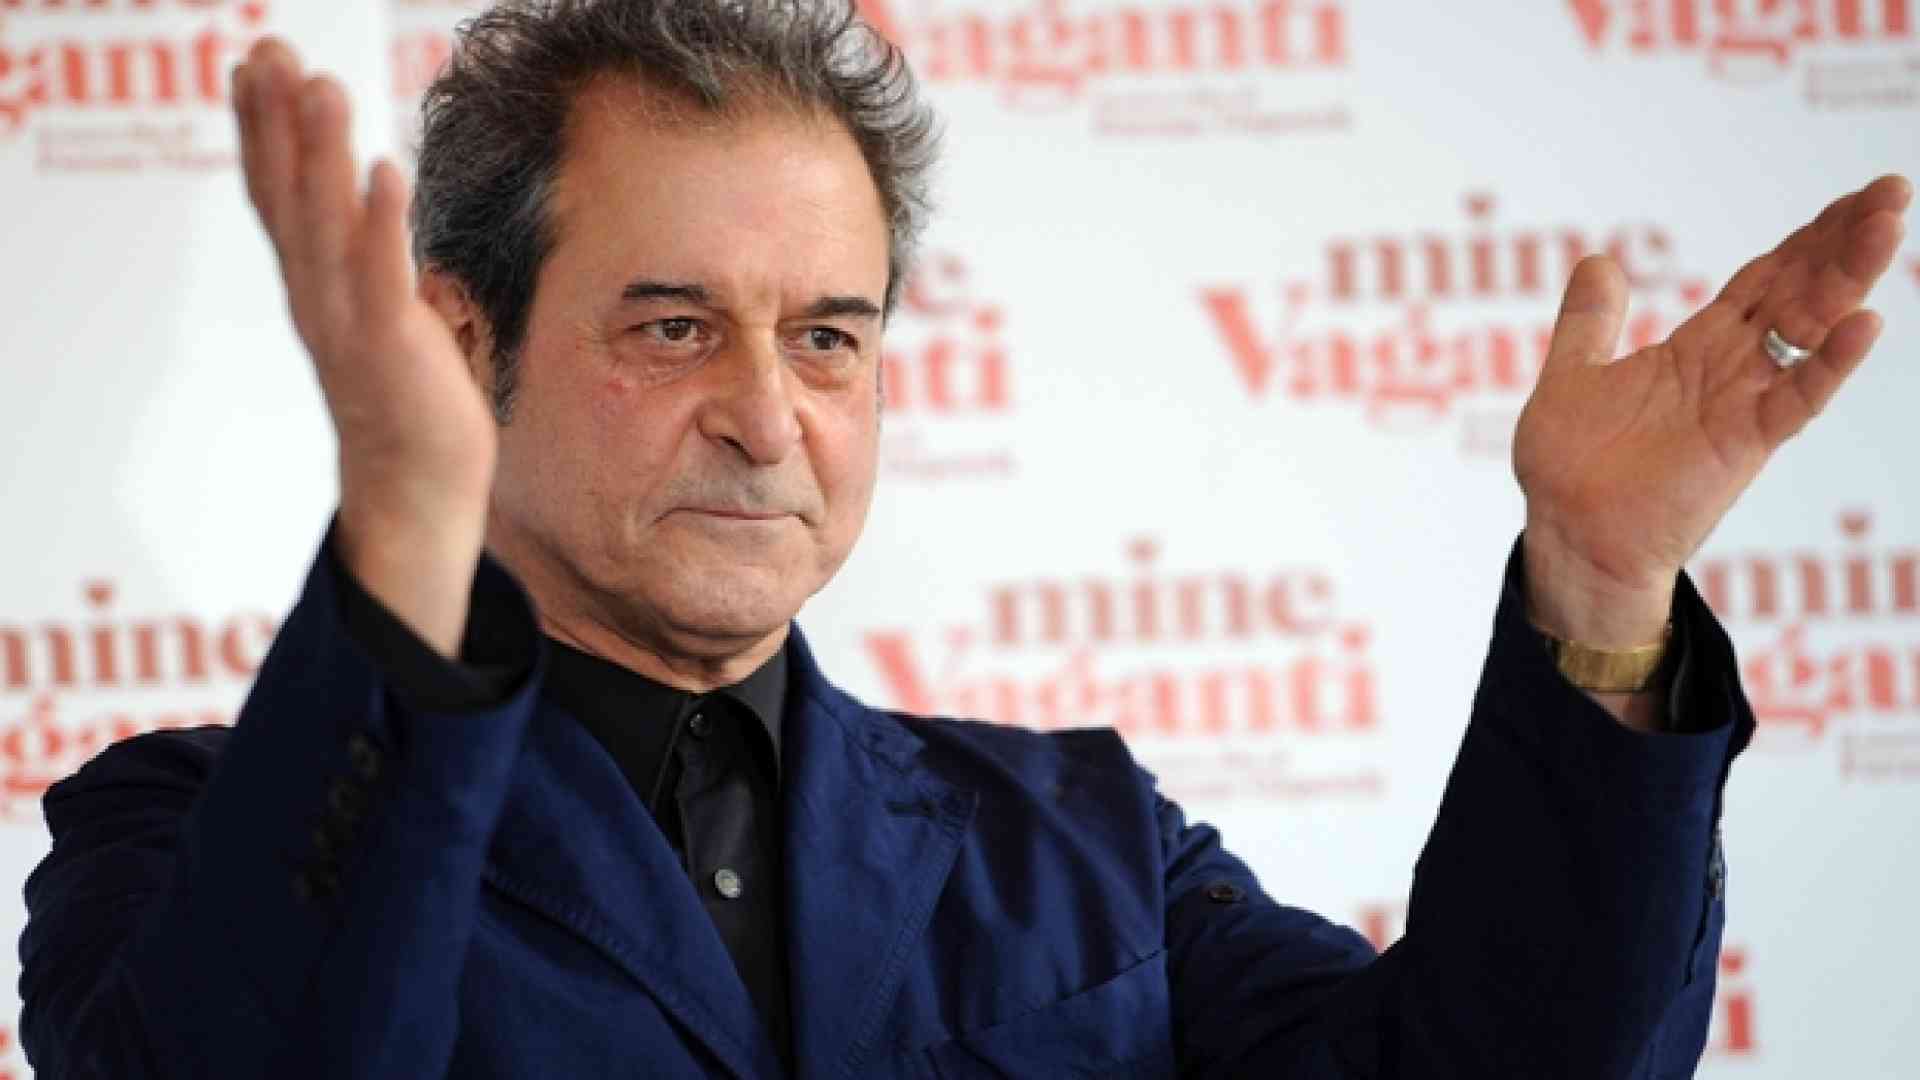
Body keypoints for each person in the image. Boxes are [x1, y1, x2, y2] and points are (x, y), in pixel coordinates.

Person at [16, 0, 1909, 1076]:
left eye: (828, 337)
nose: (769, 416)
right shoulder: (181, 829)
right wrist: (407, 532)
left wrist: (1599, 583)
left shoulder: (1084, 844)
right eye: (672, 328)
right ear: (463, 347)